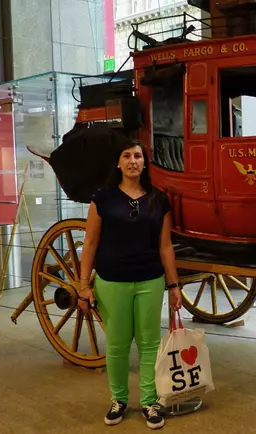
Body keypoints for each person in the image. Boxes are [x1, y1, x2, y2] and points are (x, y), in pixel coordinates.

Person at [77, 138, 183, 428]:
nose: (133, 161)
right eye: (127, 156)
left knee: (150, 344)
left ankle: (149, 402)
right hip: (112, 281)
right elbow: (90, 243)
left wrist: (174, 286)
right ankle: (119, 400)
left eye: (138, 155)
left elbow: (165, 247)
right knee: (118, 344)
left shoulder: (158, 199)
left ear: (144, 162)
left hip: (150, 279)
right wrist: (83, 285)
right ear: (118, 163)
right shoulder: (103, 199)